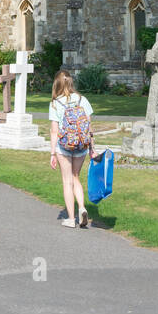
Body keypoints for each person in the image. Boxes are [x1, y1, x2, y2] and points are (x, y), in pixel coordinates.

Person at [48, 69, 94, 227]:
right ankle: (81, 208)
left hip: (64, 146)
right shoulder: (82, 99)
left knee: (67, 181)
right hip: (81, 144)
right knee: (76, 177)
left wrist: (52, 153)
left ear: (57, 84)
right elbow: (88, 127)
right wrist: (91, 148)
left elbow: (54, 131)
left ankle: (70, 219)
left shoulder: (55, 104)